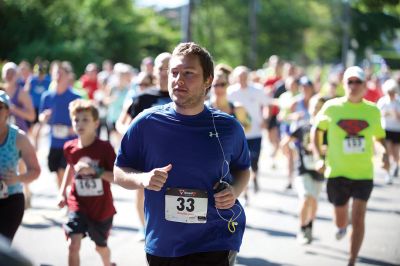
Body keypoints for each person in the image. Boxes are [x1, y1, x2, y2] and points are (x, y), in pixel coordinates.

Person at [114, 42, 250, 266]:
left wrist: (234, 190)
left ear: (208, 80)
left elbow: (242, 168)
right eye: (174, 73)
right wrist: (142, 178)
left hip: (216, 238)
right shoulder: (146, 123)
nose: (178, 80)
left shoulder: (229, 127)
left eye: (188, 73)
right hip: (165, 242)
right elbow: (119, 170)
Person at [311, 66, 390, 266]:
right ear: (344, 85)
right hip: (337, 171)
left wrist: (384, 154)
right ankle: (341, 224)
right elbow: (316, 131)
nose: (354, 86)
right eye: (350, 82)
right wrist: (319, 156)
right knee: (341, 220)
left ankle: (352, 259)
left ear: (365, 85)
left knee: (359, 215)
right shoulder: (331, 107)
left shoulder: (372, 110)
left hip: (363, 172)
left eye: (358, 82)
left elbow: (379, 138)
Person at [115, 52, 172, 241]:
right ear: (153, 71)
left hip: (173, 156)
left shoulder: (183, 97)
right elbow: (126, 124)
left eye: (167, 67)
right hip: (145, 155)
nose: (164, 72)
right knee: (142, 191)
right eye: (160, 68)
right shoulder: (143, 97)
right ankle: (144, 228)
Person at [57, 99, 116, 266]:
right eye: (76, 120)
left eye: (85, 120)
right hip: (78, 203)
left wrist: (95, 171)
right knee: (73, 245)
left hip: (101, 207)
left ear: (96, 123)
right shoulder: (69, 147)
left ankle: (108, 263)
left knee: (100, 247)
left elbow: (116, 177)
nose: (80, 123)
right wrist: (62, 192)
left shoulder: (104, 147)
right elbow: (70, 167)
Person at [283, 96, 327, 245]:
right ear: (310, 109)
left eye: (320, 107)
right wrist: (290, 152)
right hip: (302, 169)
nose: (317, 110)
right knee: (306, 197)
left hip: (320, 170)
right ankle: (302, 229)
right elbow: (286, 142)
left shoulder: (328, 129)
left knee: (313, 201)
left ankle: (309, 226)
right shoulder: (302, 126)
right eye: (315, 107)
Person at [0, 91, 40, 243]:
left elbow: (35, 170)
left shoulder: (18, 137)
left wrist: (18, 178)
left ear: (7, 111)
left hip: (11, 200)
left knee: (2, 247)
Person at [227, 66, 271, 195]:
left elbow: (266, 105)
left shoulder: (257, 90)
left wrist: (265, 119)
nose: (242, 80)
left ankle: (255, 177)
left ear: (248, 77)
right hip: (238, 133)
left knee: (254, 159)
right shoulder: (231, 92)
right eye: (240, 77)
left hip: (256, 131)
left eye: (244, 77)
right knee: (241, 164)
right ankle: (245, 191)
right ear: (236, 78)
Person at [39, 61, 81, 189]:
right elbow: (40, 117)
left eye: (61, 73)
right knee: (57, 172)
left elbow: (83, 120)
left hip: (71, 141)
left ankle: (67, 198)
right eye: (55, 72)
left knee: (65, 170)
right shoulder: (47, 96)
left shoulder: (75, 97)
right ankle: (63, 196)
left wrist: (72, 130)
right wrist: (44, 116)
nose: (57, 75)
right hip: (54, 141)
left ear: (68, 76)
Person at [377, 78, 400, 182]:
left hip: (397, 129)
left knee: (396, 152)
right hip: (386, 128)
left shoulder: (398, 101)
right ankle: (388, 173)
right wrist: (385, 114)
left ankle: (396, 165)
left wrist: (396, 114)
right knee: (388, 150)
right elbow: (377, 114)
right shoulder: (383, 101)